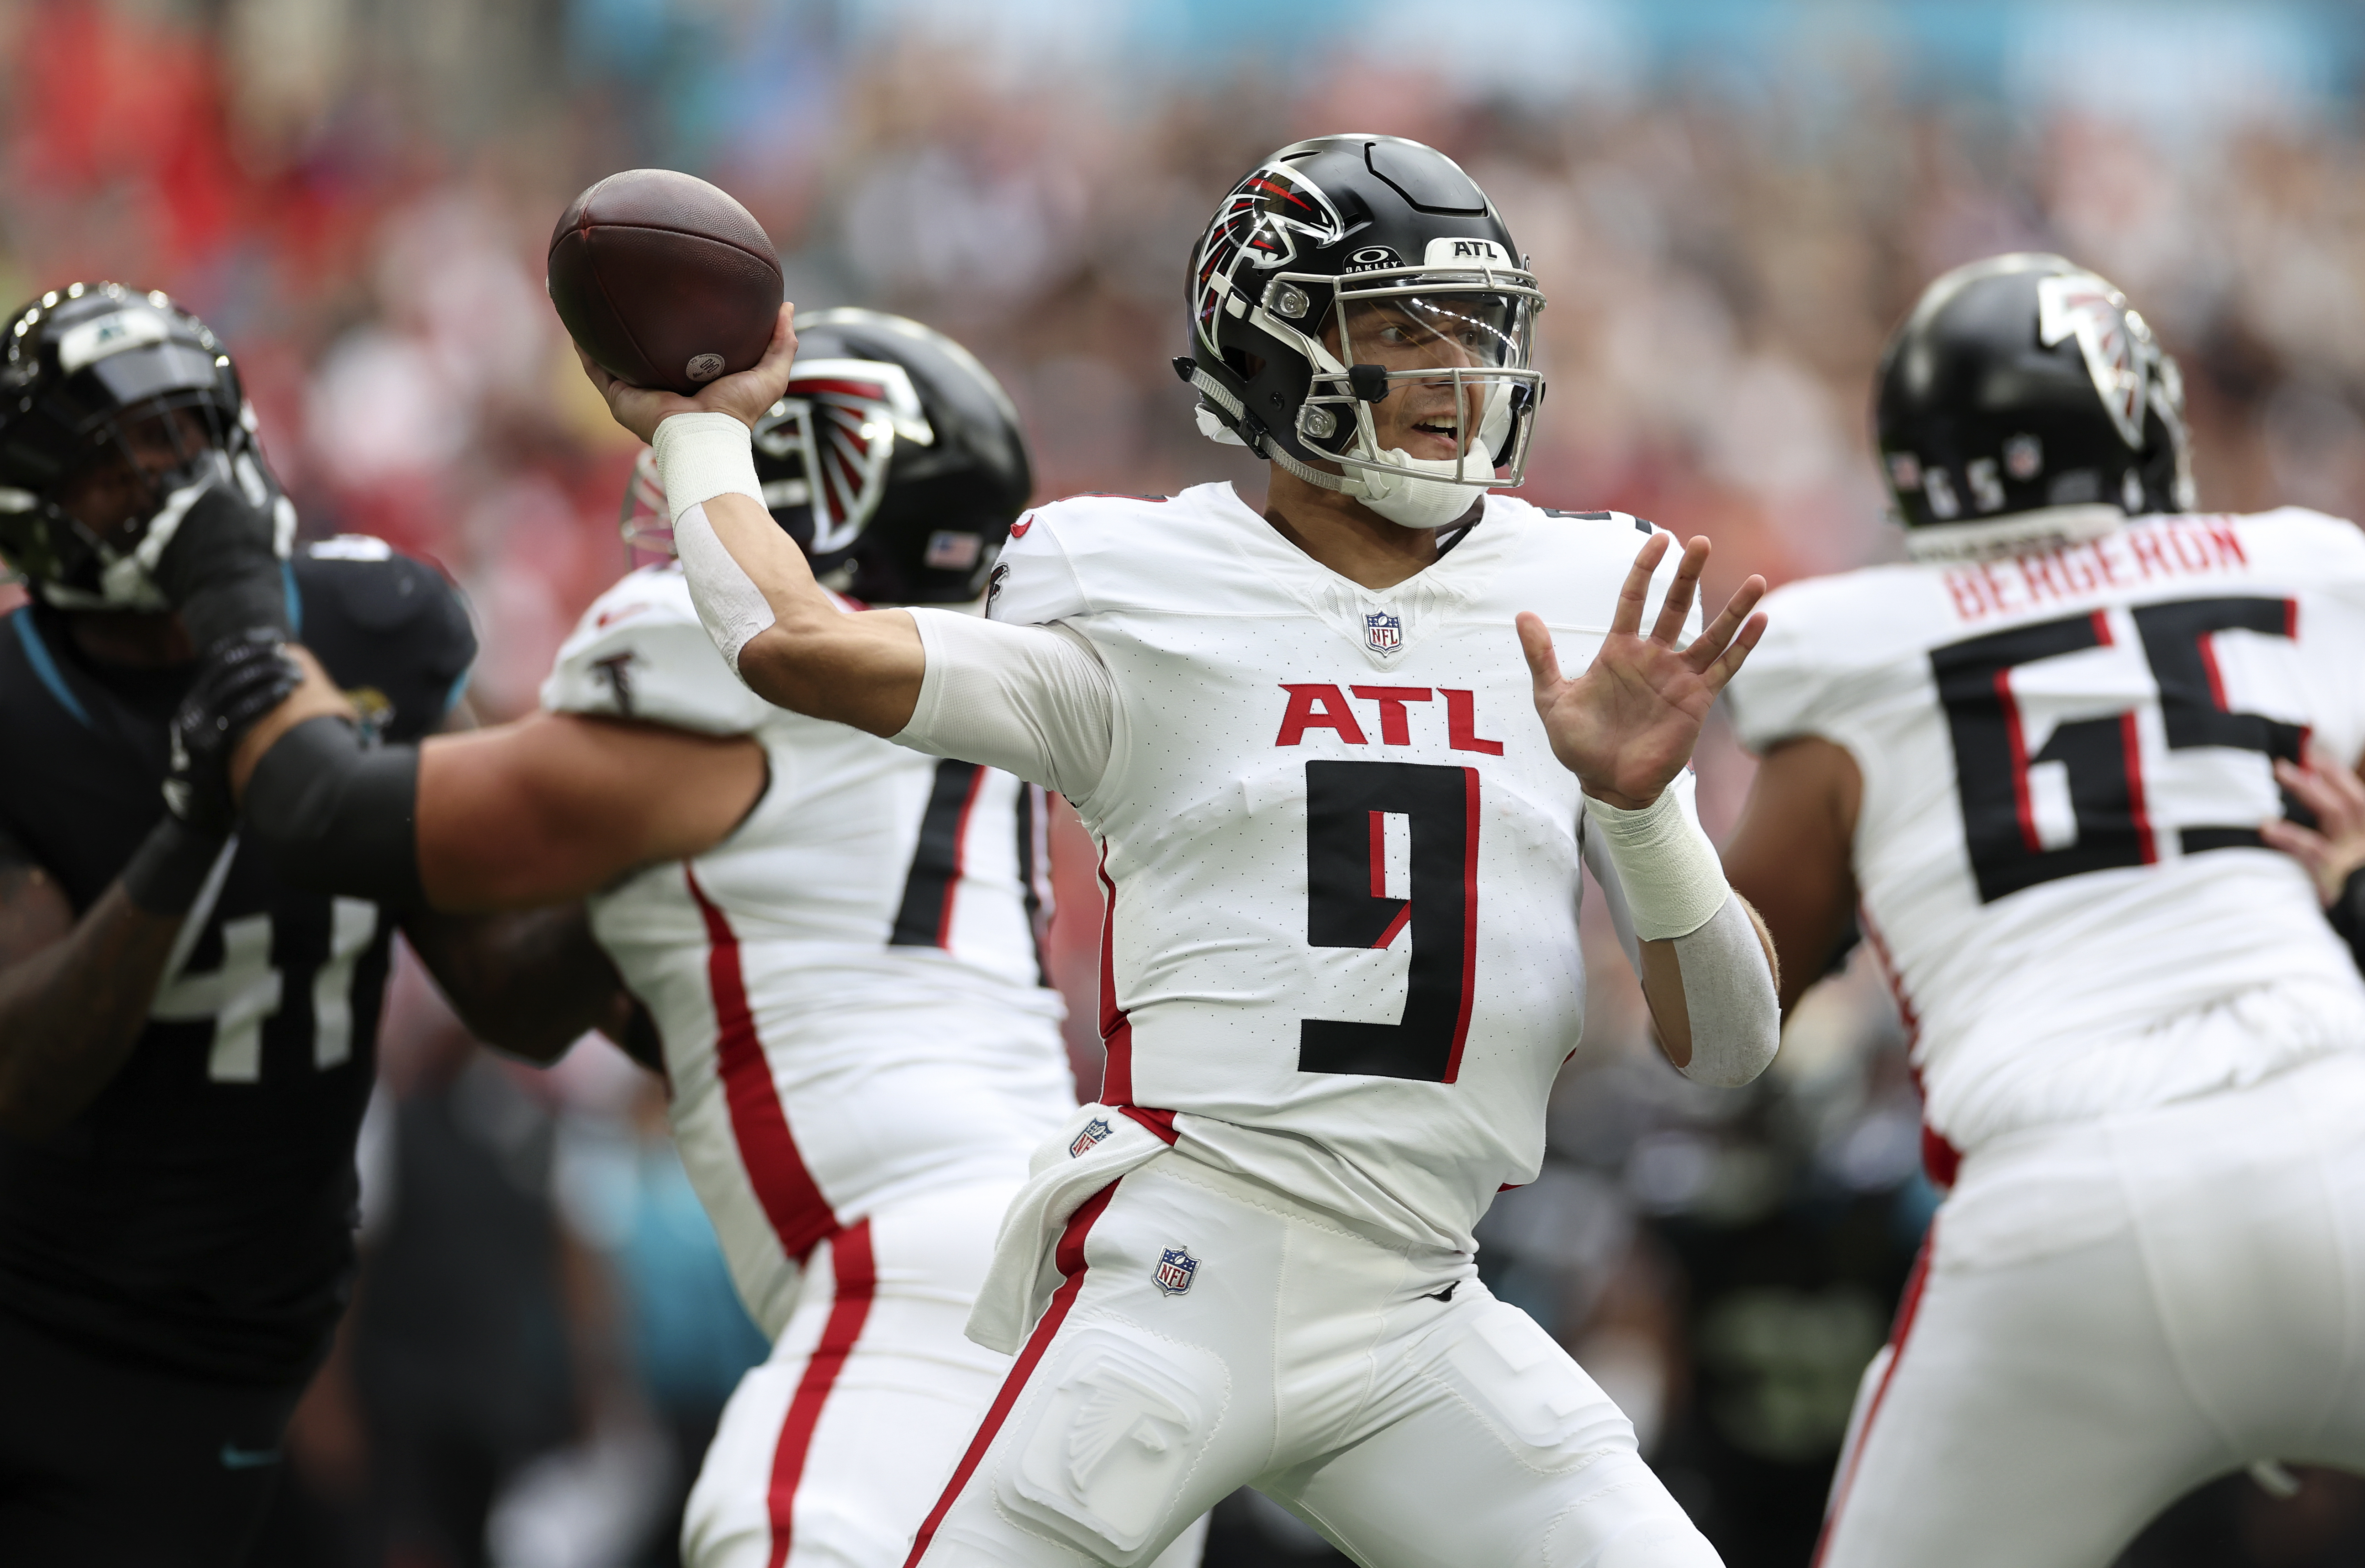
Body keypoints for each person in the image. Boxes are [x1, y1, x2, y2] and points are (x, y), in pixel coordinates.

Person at [576, 135, 1782, 1567]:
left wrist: (1643, 817)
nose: (1457, 377)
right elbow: (795, 640)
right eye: (1401, 331)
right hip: (1186, 1274)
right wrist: (700, 428)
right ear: (1269, 356)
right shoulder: (1135, 585)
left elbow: (1726, 1046)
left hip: (1421, 1302)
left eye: (1472, 333)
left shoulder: (1577, 595)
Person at [182, 310, 1206, 1568]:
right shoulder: (958, 721)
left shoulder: (733, 698)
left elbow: (322, 809)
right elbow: (532, 997)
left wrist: (235, 597)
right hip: (1069, 1299)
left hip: (912, 1294)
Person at [1717, 252, 2365, 1568]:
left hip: (2059, 1218)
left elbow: (1719, 1023)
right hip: (2333, 1137)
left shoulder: (1839, 650)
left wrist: (1630, 820)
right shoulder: (2305, 571)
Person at [0, 282, 612, 1567]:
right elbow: (24, 1069)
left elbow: (503, 986)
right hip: (47, 1309)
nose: (170, 479)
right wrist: (194, 823)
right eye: (116, 458)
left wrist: (637, 899)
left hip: (265, 1322)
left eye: (185, 433)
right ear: (38, 507)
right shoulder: (23, 708)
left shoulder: (362, 623)